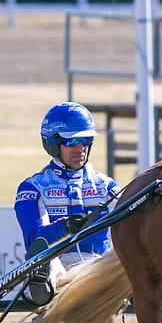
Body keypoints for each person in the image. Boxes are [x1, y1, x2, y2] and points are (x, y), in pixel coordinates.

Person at [14, 101, 119, 306]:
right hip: (55, 262)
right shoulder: (33, 188)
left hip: (98, 266)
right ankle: (43, 285)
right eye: (71, 141)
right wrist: (66, 227)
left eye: (86, 139)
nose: (80, 147)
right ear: (52, 143)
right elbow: (36, 238)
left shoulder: (107, 186)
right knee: (45, 259)